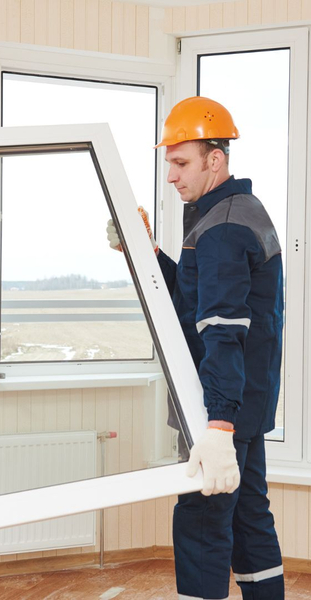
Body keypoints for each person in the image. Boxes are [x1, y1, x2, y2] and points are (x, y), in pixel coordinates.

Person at [107, 96, 284, 600]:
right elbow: (192, 298)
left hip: (222, 408)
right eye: (169, 162)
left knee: (202, 525)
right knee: (249, 519)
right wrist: (144, 250)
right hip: (244, 402)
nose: (171, 176)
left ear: (215, 159)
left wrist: (218, 427)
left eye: (181, 163)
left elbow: (224, 332)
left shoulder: (222, 229)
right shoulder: (231, 213)